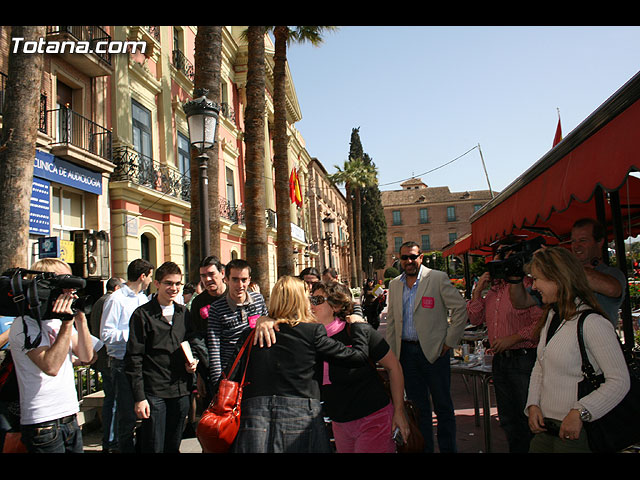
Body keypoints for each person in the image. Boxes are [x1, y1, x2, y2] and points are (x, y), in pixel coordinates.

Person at [230, 276, 372, 453]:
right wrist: (358, 325)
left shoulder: (252, 335)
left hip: (254, 418)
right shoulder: (311, 332)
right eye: (308, 297)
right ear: (299, 300)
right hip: (300, 414)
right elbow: (357, 356)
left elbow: (230, 375)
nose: (310, 302)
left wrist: (264, 318)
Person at [524, 246, 630, 453]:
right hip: (547, 429)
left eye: (537, 279)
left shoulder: (592, 323)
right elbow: (540, 365)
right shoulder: (553, 317)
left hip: (575, 435)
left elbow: (619, 381)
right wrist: (533, 404)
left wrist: (581, 412)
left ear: (557, 279)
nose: (534, 286)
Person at [385, 241, 468, 453]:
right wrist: (392, 355)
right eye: (404, 258)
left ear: (421, 257)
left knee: (443, 407)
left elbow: (459, 309)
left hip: (434, 353)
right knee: (418, 409)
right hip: (407, 355)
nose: (409, 261)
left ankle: (449, 449)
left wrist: (449, 342)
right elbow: (393, 322)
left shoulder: (437, 278)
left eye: (413, 257)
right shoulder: (394, 284)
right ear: (399, 260)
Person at [310, 281, 409, 453]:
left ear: (336, 305)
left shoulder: (357, 331)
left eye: (317, 300)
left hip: (373, 418)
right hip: (340, 424)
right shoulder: (310, 337)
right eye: (311, 299)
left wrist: (399, 411)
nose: (311, 304)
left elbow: (394, 368)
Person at [8, 258, 96, 453]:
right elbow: (51, 367)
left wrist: (80, 319)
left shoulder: (57, 321)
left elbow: (87, 356)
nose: (70, 293)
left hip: (70, 416)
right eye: (64, 286)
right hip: (43, 423)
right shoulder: (25, 324)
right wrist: (66, 324)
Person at [466, 244, 543, 453]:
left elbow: (540, 322)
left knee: (529, 418)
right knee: (508, 419)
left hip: (524, 359)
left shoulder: (528, 286)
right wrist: (477, 293)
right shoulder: (491, 293)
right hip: (501, 362)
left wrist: (515, 338)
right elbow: (475, 318)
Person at [124, 262, 200, 453]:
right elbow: (134, 358)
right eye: (168, 283)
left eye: (177, 284)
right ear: (157, 283)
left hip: (180, 390)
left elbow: (193, 342)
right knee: (153, 445)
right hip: (154, 392)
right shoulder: (142, 315)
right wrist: (139, 398)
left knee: (173, 445)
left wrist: (194, 361)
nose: (173, 288)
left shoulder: (184, 313)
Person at [511, 218, 626, 328]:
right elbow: (521, 302)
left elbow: (612, 289)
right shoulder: (561, 274)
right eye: (573, 241)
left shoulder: (611, 273)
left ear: (600, 242)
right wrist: (515, 276)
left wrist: (562, 262)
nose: (576, 246)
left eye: (583, 240)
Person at [100, 258, 154, 453]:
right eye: (150, 276)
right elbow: (106, 334)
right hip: (121, 363)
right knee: (124, 415)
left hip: (140, 362)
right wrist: (132, 335)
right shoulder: (116, 299)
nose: (150, 281)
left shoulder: (142, 299)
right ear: (143, 276)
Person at [206, 259, 268, 391]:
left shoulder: (258, 300)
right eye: (235, 279)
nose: (240, 285)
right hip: (231, 375)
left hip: (257, 371)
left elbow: (268, 330)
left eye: (244, 280)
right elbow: (214, 347)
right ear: (226, 279)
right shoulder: (217, 308)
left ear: (249, 280)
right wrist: (219, 383)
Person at [89, 277, 124, 453]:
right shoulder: (110, 302)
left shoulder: (97, 303)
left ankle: (109, 439)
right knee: (114, 401)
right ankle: (111, 440)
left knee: (110, 400)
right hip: (109, 358)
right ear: (117, 288)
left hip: (102, 358)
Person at [189, 255, 227, 407]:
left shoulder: (233, 296)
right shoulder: (198, 302)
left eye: (211, 274)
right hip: (209, 370)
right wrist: (200, 375)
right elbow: (195, 337)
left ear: (222, 273)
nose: (207, 279)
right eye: (203, 276)